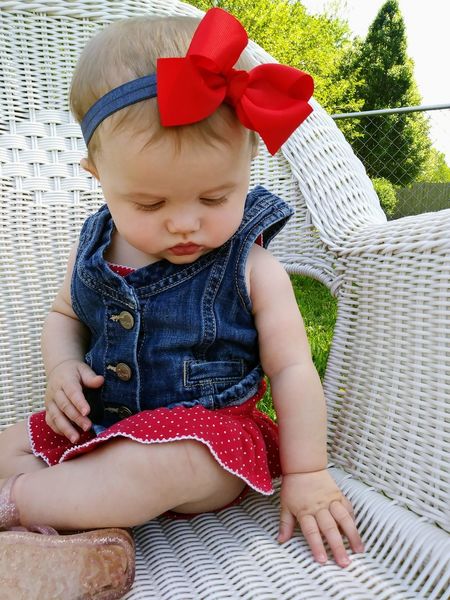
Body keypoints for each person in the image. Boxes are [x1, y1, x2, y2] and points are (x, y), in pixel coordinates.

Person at [0, 7, 364, 598]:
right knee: (11, 443)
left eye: (215, 197)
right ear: (98, 175)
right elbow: (64, 315)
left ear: (248, 164)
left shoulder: (252, 269)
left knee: (163, 465)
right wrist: (62, 366)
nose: (185, 223)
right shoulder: (92, 249)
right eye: (149, 204)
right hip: (100, 426)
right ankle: (77, 543)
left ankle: (18, 507)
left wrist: (308, 472)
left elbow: (293, 369)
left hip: (206, 441)